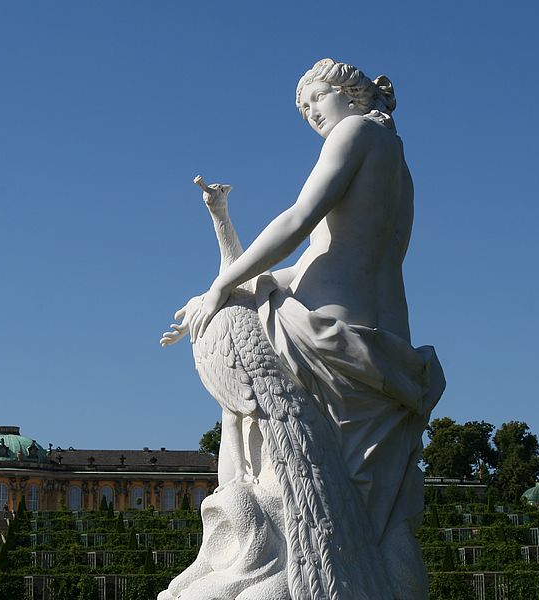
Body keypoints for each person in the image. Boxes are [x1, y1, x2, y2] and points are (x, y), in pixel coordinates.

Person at [162, 58, 444, 600]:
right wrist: (224, 239)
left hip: (324, 336)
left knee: (305, 491)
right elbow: (324, 258)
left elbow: (298, 221)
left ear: (352, 93)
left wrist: (222, 290)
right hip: (381, 340)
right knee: (374, 511)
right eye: (304, 109)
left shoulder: (356, 132)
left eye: (315, 98)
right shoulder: (397, 162)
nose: (311, 113)